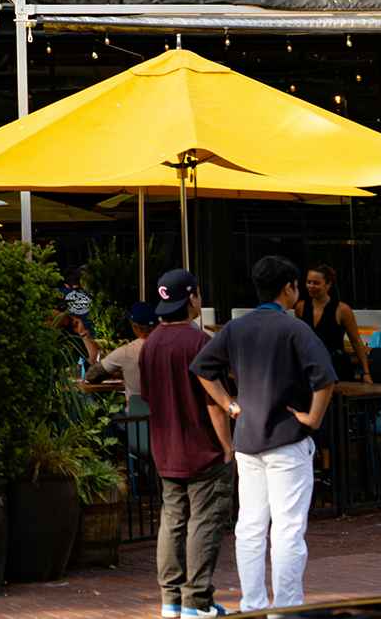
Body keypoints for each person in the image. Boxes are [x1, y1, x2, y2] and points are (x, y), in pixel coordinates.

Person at [192, 254, 337, 613]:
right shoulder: (295, 328)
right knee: (287, 529)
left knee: (250, 527)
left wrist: (229, 404)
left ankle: (252, 604)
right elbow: (326, 379)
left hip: (247, 439)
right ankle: (285, 608)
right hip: (287, 439)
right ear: (288, 289)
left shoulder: (235, 328)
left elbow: (202, 369)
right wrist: (314, 419)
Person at [141, 269, 236, 619]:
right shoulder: (199, 342)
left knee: (173, 521)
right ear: (193, 297)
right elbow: (214, 400)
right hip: (203, 449)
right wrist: (226, 446)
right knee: (204, 523)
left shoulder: (150, 343)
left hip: (165, 449)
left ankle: (170, 601)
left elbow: (149, 396)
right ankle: (197, 602)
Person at [294, 263, 372, 384]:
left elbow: (356, 341)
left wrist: (366, 372)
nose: (311, 286)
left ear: (328, 284)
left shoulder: (342, 310)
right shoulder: (301, 307)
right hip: (310, 365)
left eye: (316, 283)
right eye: (308, 282)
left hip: (336, 366)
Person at [87, 301, 157, 400]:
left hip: (138, 411)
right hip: (170, 411)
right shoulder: (172, 346)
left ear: (135, 327)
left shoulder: (126, 352)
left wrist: (121, 373)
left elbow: (91, 375)